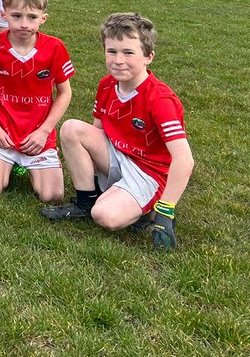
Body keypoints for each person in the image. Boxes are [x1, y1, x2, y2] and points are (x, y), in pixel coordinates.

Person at [41, 13, 194, 251]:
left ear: (148, 57)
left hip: (149, 172)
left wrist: (167, 211)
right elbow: (96, 134)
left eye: (128, 53)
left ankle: (150, 212)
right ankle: (85, 202)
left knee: (105, 215)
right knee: (72, 128)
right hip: (119, 156)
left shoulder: (161, 99)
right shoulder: (107, 85)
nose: (118, 60)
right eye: (111, 51)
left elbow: (184, 160)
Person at [0, 0, 72, 202]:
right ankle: (6, 160)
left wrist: (44, 131)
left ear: (43, 18)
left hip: (38, 137)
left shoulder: (55, 47)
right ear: (3, 14)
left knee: (52, 196)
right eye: (16, 16)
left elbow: (65, 93)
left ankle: (28, 163)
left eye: (32, 17)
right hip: (2, 135)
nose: (24, 24)